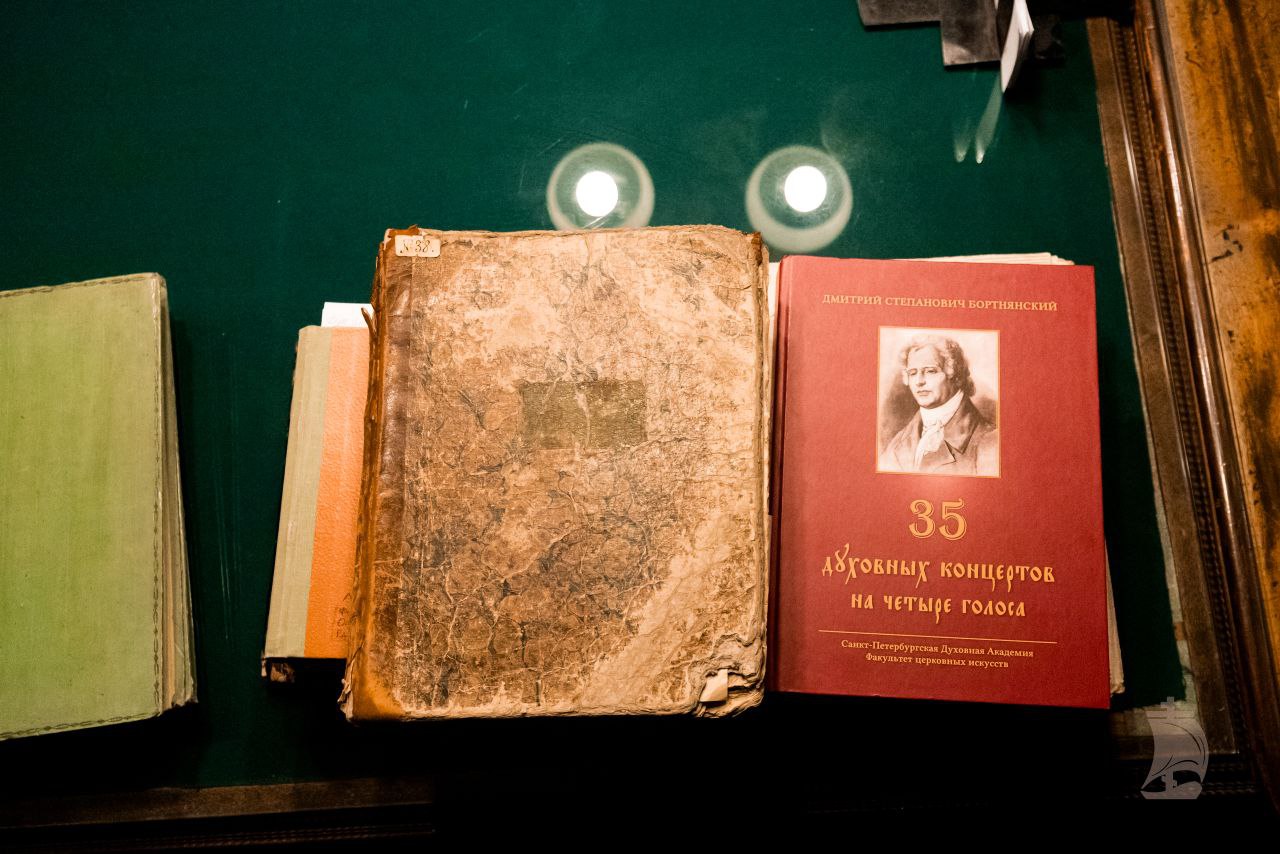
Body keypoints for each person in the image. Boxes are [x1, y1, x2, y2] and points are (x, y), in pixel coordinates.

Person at [879, 334, 999, 476]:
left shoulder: (989, 441)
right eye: (913, 373)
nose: (919, 381)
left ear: (954, 375)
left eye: (930, 371)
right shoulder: (897, 444)